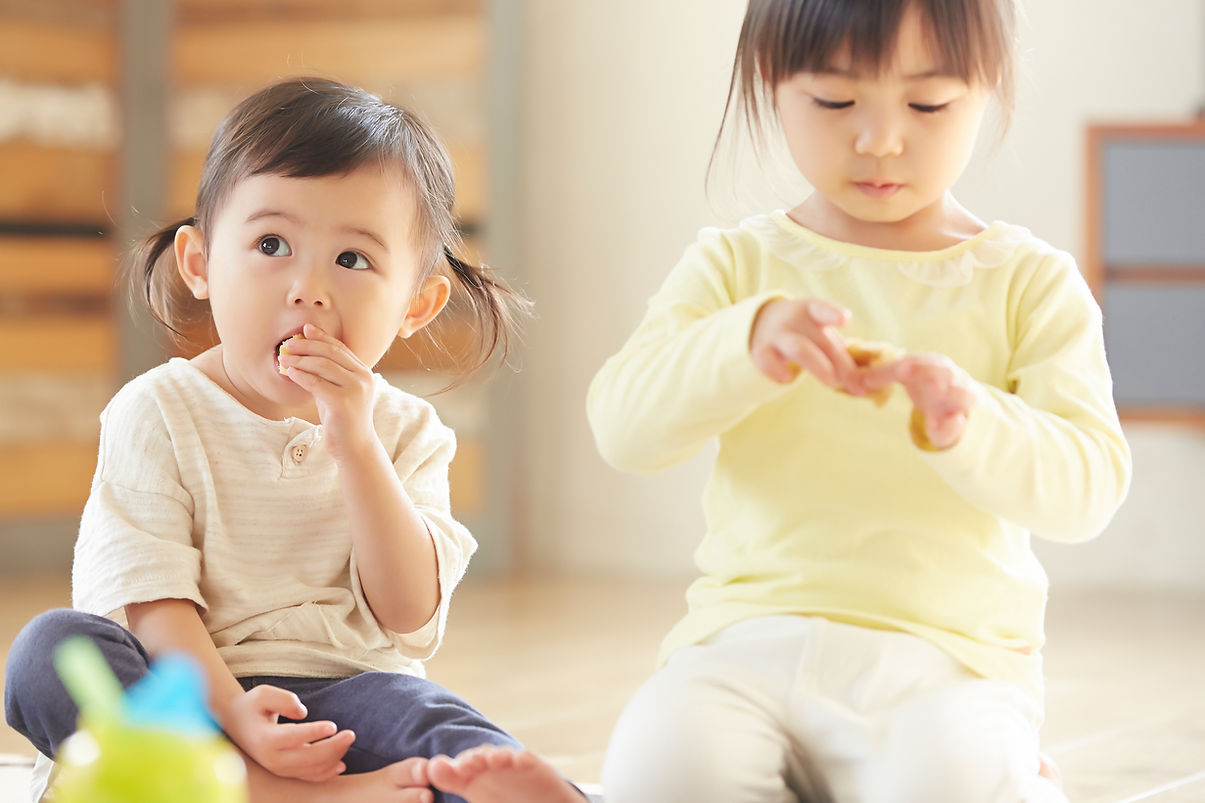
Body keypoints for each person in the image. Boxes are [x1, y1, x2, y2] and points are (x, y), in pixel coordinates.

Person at [587, 1, 1132, 801]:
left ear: (988, 86)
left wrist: (971, 421)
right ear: (773, 84)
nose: (878, 140)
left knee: (952, 779)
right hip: (741, 643)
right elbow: (622, 430)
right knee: (662, 765)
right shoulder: (736, 266)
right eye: (836, 101)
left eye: (927, 104)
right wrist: (741, 346)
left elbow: (1086, 489)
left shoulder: (1027, 283)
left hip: (950, 662)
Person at [5, 77, 582, 803]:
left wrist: (357, 443)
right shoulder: (156, 410)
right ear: (199, 264)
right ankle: (278, 794)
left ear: (416, 305)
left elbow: (406, 614)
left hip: (347, 702)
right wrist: (232, 714)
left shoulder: (409, 434)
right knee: (51, 652)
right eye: (271, 244)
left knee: (438, 724)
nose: (307, 288)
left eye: (352, 259)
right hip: (182, 700)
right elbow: (152, 605)